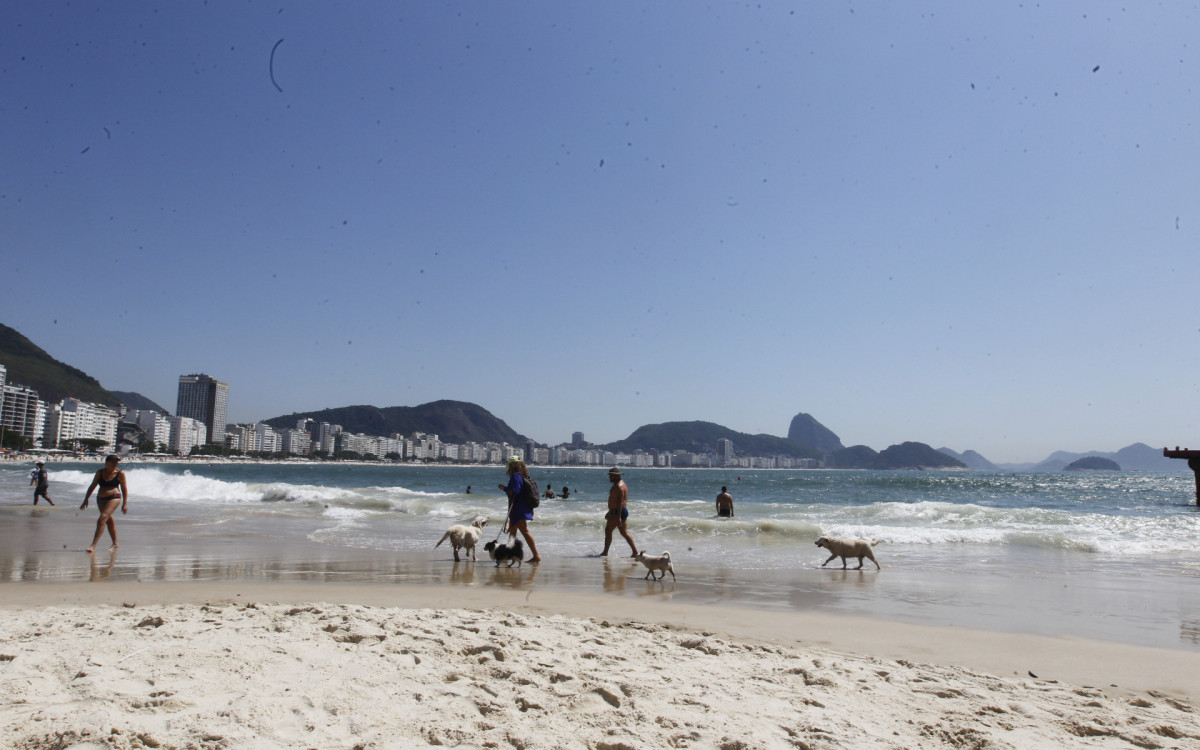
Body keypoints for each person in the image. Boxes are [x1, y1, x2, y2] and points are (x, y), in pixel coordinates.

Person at [81, 455, 128, 553]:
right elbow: (92, 486)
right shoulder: (100, 472)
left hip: (114, 497)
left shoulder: (120, 473)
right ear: (107, 462)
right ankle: (115, 543)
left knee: (102, 518)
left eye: (116, 462)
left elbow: (124, 488)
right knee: (108, 520)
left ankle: (93, 545)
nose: (115, 463)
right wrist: (86, 499)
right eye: (113, 462)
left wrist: (125, 503)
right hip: (100, 499)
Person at [498, 457, 541, 563]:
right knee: (512, 532)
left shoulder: (516, 476)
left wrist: (504, 488)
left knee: (524, 531)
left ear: (512, 466)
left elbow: (515, 492)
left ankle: (536, 555)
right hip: (522, 507)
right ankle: (509, 555)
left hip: (518, 509)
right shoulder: (524, 476)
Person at [600, 467, 637, 557]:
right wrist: (610, 511)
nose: (609, 477)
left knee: (608, 530)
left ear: (616, 476)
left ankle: (605, 552)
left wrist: (618, 517)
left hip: (617, 511)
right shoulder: (620, 484)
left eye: (611, 475)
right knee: (624, 532)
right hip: (617, 511)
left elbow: (620, 502)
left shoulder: (619, 487)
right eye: (609, 475)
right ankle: (635, 552)